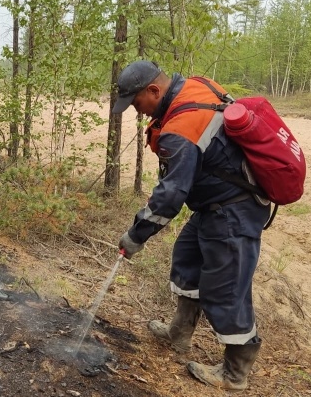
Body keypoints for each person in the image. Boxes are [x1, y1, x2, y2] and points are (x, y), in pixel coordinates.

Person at [112, 60, 271, 391]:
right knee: (187, 259)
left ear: (154, 90)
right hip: (214, 206)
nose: (137, 112)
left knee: (226, 289)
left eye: (137, 104)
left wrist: (135, 235)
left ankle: (235, 373)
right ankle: (179, 334)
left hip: (234, 210)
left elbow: (169, 197)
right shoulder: (193, 86)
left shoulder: (180, 129)